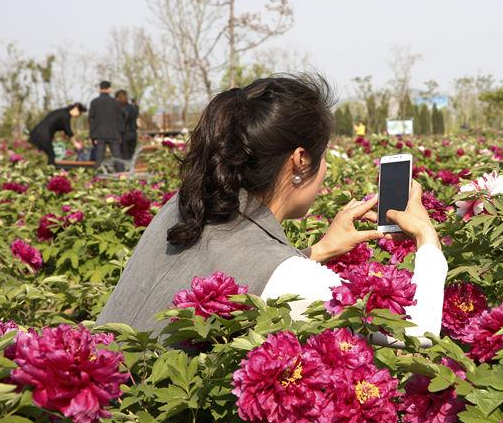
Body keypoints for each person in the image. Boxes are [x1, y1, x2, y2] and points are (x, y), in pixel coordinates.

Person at [97, 75, 447, 340]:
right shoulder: (282, 275)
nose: (325, 168)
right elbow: (416, 332)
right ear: (300, 160)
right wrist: (426, 238)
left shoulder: (183, 206)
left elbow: (236, 270)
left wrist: (318, 250)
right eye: (322, 155)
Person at [88, 80, 125, 166]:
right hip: (114, 133)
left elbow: (91, 119)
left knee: (99, 158)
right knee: (117, 157)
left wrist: (92, 135)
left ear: (100, 89)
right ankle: (122, 175)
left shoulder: (94, 102)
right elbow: (120, 119)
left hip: (99, 134)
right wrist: (120, 133)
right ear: (109, 89)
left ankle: (97, 177)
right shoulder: (116, 102)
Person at [115, 89, 139, 159]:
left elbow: (121, 122)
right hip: (133, 133)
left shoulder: (120, 109)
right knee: (131, 155)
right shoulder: (133, 108)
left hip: (124, 134)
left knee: (124, 155)